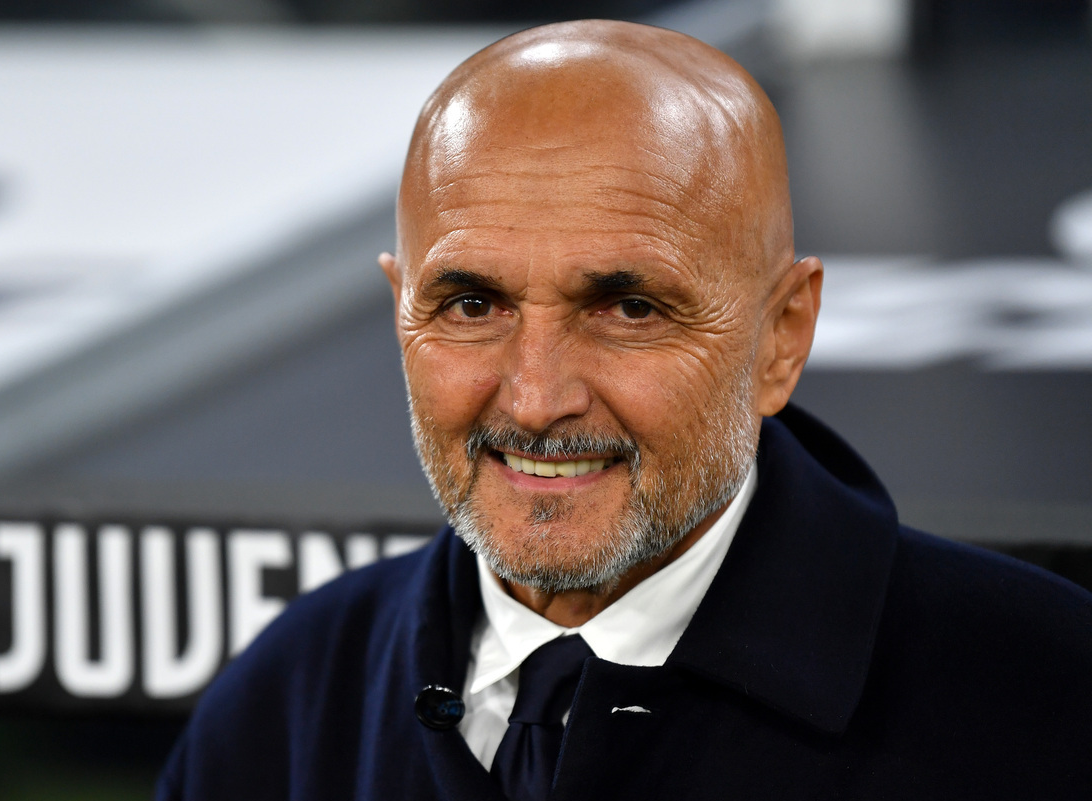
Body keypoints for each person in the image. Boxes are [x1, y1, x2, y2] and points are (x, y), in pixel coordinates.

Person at [156, 19, 1092, 800]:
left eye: (629, 308)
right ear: (401, 309)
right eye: (472, 305)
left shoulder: (1045, 702)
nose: (536, 398)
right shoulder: (286, 702)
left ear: (782, 336)